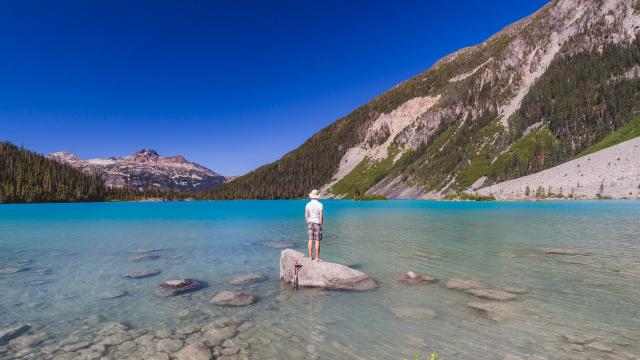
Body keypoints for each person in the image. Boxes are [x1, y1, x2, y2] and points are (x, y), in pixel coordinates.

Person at [305, 189, 323, 262]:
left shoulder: (308, 204)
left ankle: (310, 257)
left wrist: (308, 222)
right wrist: (321, 224)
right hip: (317, 223)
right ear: (317, 196)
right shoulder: (320, 204)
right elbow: (321, 216)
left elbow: (306, 215)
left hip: (310, 222)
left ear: (311, 196)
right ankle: (317, 258)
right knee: (317, 241)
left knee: (310, 240)